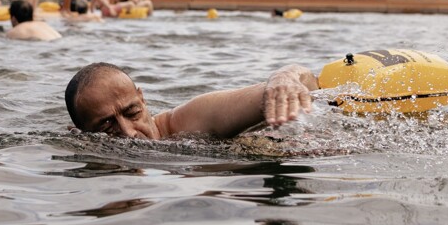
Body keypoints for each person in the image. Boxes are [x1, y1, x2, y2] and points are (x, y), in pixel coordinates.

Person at [64, 61, 318, 139]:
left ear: (142, 99)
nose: (129, 132)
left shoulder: (189, 120)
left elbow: (303, 80)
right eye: (107, 126)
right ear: (79, 134)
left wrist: (283, 78)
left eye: (132, 112)